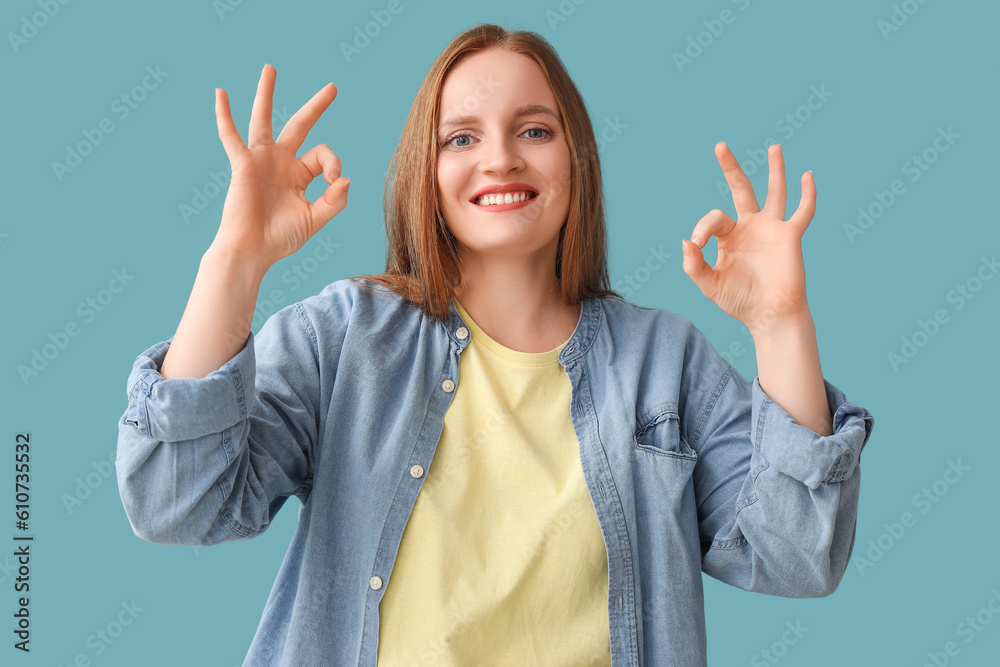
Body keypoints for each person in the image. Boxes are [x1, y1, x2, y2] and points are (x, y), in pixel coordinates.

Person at [116, 23, 875, 667]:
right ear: (428, 170)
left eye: (535, 130)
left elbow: (797, 555)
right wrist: (234, 261)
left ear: (575, 160)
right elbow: (175, 501)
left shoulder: (664, 361)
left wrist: (781, 323)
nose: (501, 157)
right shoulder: (347, 334)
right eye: (462, 137)